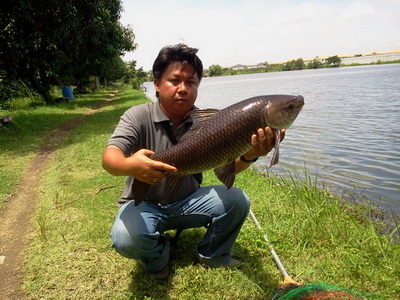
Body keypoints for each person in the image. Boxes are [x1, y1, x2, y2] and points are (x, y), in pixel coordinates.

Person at [102, 44, 285, 280]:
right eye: (174, 80)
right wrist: (131, 166)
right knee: (125, 238)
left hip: (188, 201)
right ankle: (158, 257)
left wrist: (251, 154)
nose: (183, 89)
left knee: (237, 200)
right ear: (157, 84)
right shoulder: (137, 116)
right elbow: (110, 158)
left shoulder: (211, 123)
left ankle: (213, 255)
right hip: (145, 204)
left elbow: (225, 168)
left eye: (191, 83)